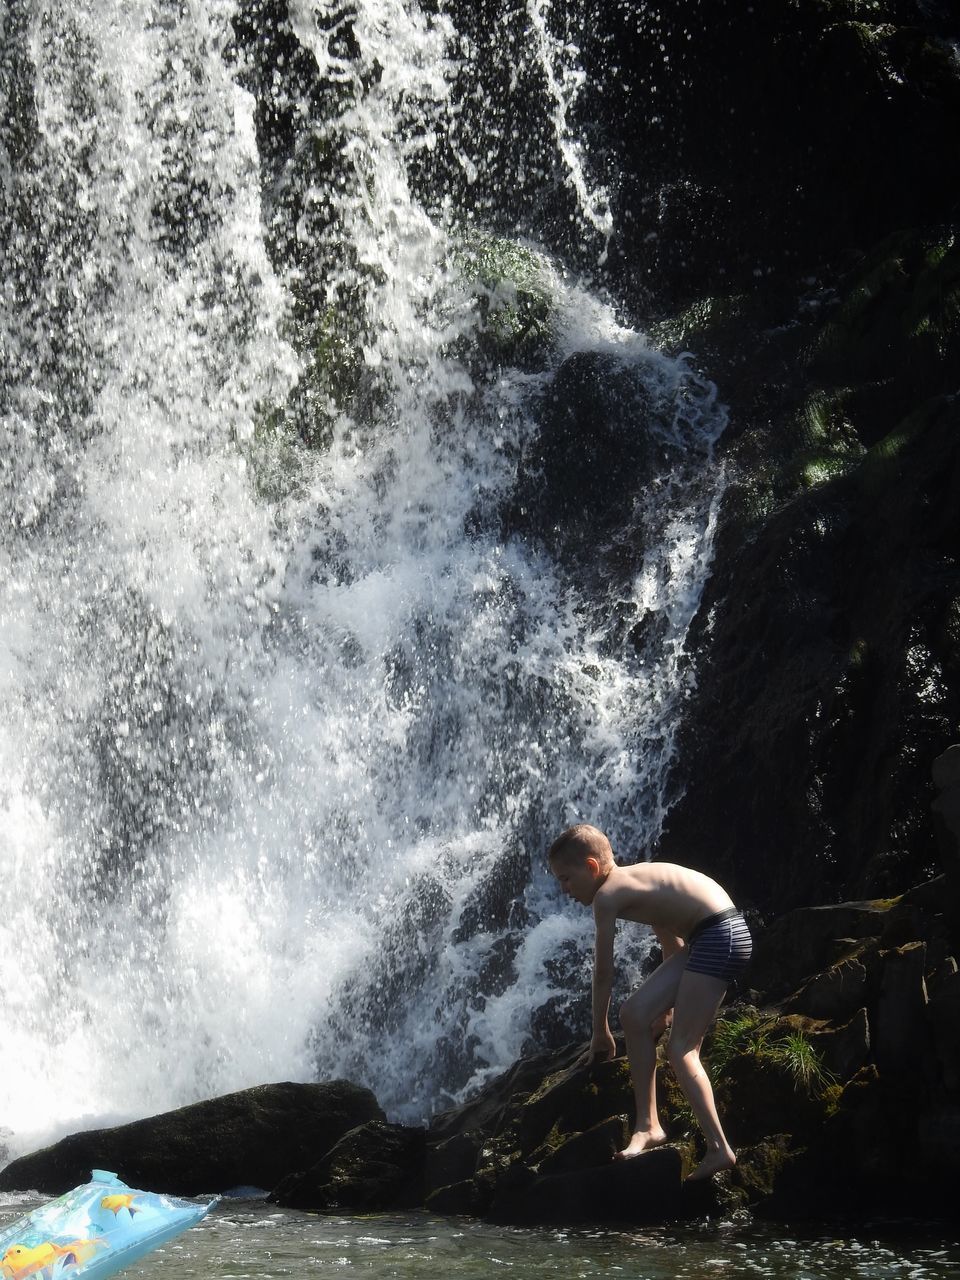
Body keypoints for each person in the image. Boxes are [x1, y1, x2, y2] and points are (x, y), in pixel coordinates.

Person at [548, 822, 752, 1181]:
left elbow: (603, 973)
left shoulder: (607, 896)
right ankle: (648, 1126)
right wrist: (668, 1008)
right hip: (711, 935)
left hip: (720, 935)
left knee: (681, 1050)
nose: (563, 889)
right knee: (635, 1015)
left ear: (592, 867)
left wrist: (600, 1031)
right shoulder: (640, 879)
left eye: (566, 878)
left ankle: (720, 1148)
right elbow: (670, 938)